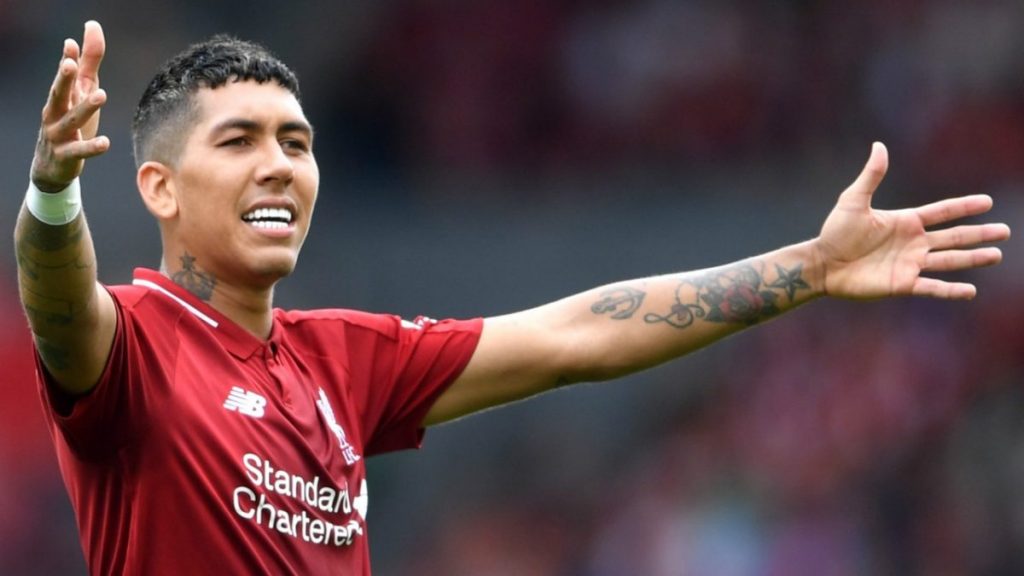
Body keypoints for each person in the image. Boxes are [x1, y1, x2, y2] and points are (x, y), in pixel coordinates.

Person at [13, 21, 1010, 576]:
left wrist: (810, 269)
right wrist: (54, 194)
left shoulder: (342, 360)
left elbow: (577, 335)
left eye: (297, 143)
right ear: (160, 188)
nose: (278, 166)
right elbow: (59, 304)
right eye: (239, 141)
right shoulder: (135, 345)